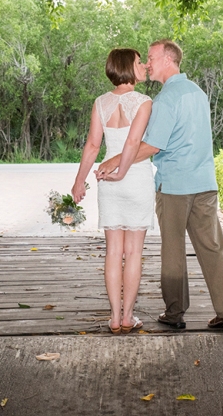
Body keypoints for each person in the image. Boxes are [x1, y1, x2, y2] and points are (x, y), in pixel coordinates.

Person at [97, 39, 223, 330]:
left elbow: (152, 146)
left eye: (150, 58)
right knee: (212, 247)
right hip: (205, 182)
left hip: (175, 185)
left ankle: (175, 314)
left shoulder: (166, 99)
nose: (147, 64)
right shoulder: (198, 93)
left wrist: (114, 161)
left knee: (173, 249)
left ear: (167, 60)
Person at [72, 48, 154, 335]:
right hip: (134, 177)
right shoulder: (143, 102)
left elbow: (93, 146)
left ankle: (115, 317)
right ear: (127, 67)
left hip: (108, 181)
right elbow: (133, 142)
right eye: (138, 61)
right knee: (133, 253)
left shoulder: (101, 103)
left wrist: (79, 181)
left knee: (112, 252)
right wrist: (121, 170)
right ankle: (129, 317)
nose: (143, 65)